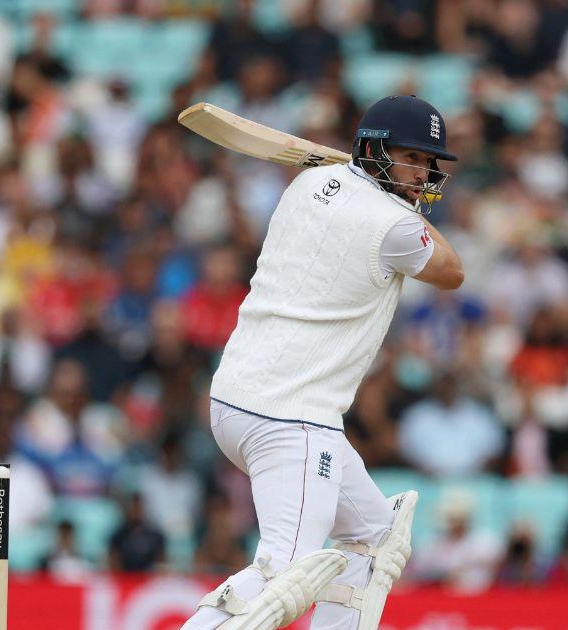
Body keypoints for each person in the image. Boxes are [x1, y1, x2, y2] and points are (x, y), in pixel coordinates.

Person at [183, 95, 464, 630]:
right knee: (285, 575)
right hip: (294, 418)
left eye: (429, 161)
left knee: (376, 537)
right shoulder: (395, 227)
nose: (423, 173)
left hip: (237, 402)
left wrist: (387, 187)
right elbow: (452, 271)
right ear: (374, 151)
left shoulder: (308, 183)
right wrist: (404, 206)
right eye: (411, 158)